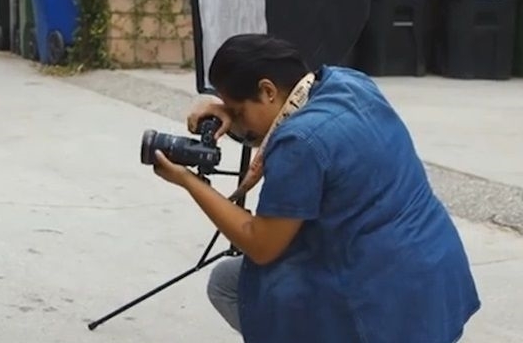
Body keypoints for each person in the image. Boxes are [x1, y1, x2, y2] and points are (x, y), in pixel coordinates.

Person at [149, 33, 480, 343]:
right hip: (436, 275)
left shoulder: (299, 144)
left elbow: (260, 243)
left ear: (267, 90)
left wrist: (188, 181)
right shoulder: (348, 82)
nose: (239, 123)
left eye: (239, 112)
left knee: (230, 285)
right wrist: (228, 111)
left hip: (383, 303)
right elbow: (281, 123)